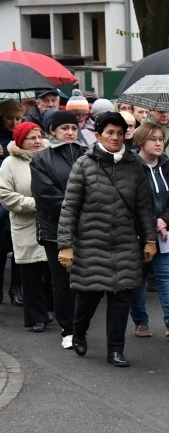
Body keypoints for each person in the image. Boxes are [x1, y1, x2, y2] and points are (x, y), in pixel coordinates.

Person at [57, 112, 157, 368]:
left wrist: (150, 239)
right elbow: (69, 208)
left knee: (120, 300)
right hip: (90, 244)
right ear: (98, 135)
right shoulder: (84, 165)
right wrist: (66, 245)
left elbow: (143, 208)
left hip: (125, 244)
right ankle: (79, 333)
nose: (115, 137)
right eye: (109, 132)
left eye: (119, 133)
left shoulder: (134, 166)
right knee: (88, 298)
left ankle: (115, 350)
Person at [128, 121, 169, 339]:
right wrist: (153, 222)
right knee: (139, 280)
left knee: (167, 276)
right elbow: (130, 202)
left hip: (166, 232)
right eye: (153, 139)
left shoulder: (168, 166)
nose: (158, 143)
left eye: (161, 139)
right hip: (138, 234)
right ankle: (140, 321)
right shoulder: (130, 167)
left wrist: (164, 219)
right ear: (140, 142)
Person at [30, 111, 87, 349]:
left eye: (73, 128)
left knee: (86, 278)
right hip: (55, 229)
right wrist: (78, 208)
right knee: (63, 280)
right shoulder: (41, 159)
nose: (70, 132)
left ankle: (81, 326)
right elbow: (45, 195)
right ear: (52, 131)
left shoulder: (88, 153)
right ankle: (68, 329)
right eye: (64, 128)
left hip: (88, 227)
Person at [0, 122, 51, 331]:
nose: (38, 141)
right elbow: (5, 194)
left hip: (51, 222)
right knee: (30, 272)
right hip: (26, 223)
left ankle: (49, 309)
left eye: (39, 136)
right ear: (21, 141)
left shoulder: (50, 158)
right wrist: (35, 204)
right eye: (32, 138)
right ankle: (36, 317)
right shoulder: (10, 163)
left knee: (50, 271)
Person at [0, 100, 26, 305]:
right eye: (9, 118)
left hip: (19, 195)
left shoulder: (24, 138)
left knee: (20, 246)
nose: (14, 122)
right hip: (2, 199)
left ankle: (17, 288)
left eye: (18, 118)